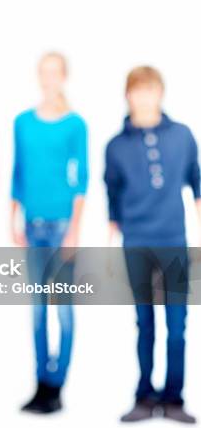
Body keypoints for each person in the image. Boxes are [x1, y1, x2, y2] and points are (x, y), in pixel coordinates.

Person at [105, 66, 199, 424]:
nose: (144, 97)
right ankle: (144, 395)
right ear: (127, 95)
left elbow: (196, 181)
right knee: (145, 323)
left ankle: (174, 398)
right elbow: (112, 194)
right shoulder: (115, 146)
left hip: (174, 241)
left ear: (161, 93)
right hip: (136, 244)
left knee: (177, 326)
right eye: (137, 91)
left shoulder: (182, 136)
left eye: (150, 90)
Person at [11, 52, 88, 414]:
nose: (48, 79)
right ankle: (41, 383)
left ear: (64, 77)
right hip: (32, 225)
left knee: (64, 311)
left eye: (55, 73)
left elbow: (81, 179)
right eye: (43, 73)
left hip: (61, 227)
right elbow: (18, 172)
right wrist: (13, 217)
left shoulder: (76, 125)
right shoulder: (23, 122)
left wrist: (74, 230)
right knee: (38, 311)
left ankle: (58, 384)